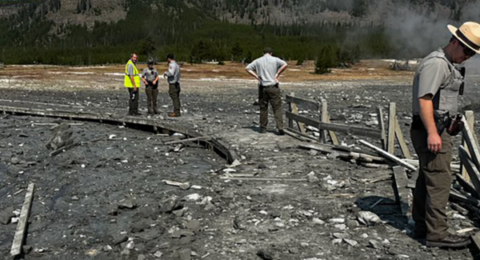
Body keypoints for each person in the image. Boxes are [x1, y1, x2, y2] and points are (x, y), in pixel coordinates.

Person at [411, 21, 480, 248]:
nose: (468, 56)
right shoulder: (437, 64)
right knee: (439, 180)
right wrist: (432, 132)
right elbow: (425, 99)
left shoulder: (446, 64)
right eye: (467, 50)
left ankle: (422, 227)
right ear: (455, 42)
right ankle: (437, 234)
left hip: (437, 130)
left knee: (428, 178)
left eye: (473, 53)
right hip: (433, 130)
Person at [246, 47, 288, 135]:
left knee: (263, 107)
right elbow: (285, 64)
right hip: (273, 86)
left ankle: (263, 128)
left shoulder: (258, 60)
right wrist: (277, 74)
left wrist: (257, 76)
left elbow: (247, 68)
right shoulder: (275, 59)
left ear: (263, 53)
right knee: (277, 107)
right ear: (271, 53)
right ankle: (280, 127)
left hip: (262, 86)